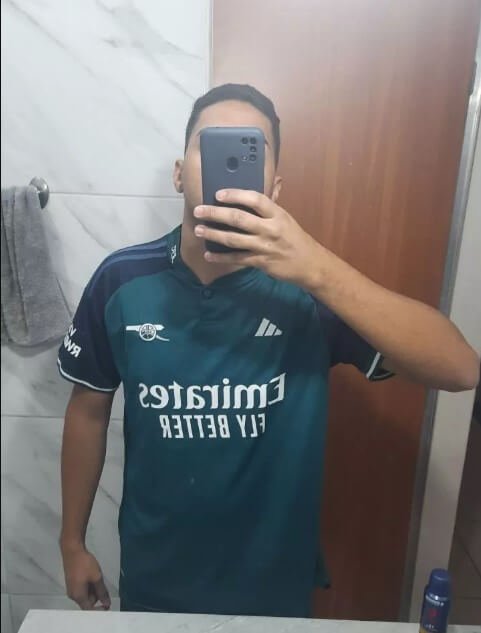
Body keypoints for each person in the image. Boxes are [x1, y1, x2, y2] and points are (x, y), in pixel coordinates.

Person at [57, 84, 479, 617]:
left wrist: (317, 269)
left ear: (274, 187)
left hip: (273, 589)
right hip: (154, 578)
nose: (227, 164)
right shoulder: (122, 279)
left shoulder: (311, 290)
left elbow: (460, 369)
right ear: (179, 173)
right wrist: (72, 543)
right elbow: (88, 411)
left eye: (248, 150)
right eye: (210, 145)